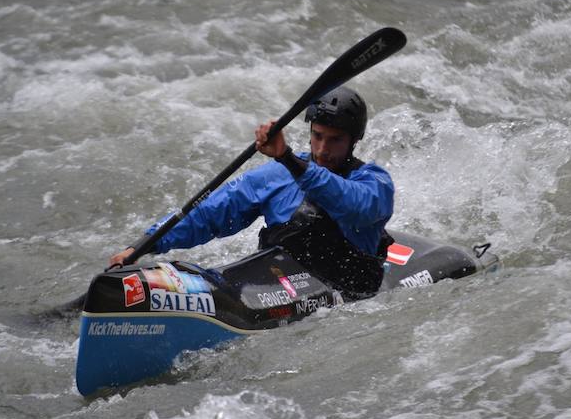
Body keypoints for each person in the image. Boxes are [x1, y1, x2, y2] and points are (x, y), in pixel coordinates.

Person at [109, 86, 395, 300]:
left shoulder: (374, 184)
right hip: (275, 285)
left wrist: (287, 158)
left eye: (335, 140)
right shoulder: (277, 175)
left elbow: (348, 202)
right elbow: (210, 213)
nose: (322, 149)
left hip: (345, 292)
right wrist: (145, 244)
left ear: (355, 140)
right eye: (318, 135)